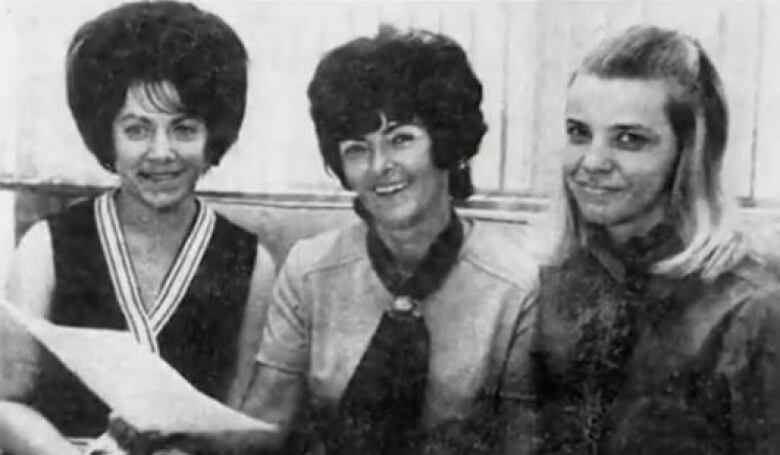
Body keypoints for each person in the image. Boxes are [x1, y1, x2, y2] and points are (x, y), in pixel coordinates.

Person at [212, 26, 537, 455]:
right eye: (356, 149)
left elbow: (524, 445)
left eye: (401, 139)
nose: (379, 166)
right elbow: (265, 424)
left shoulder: (514, 286)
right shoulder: (309, 270)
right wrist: (173, 433)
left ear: (447, 141)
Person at [0, 1, 275, 452]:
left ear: (213, 136)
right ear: (105, 134)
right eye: (137, 129)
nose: (161, 152)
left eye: (184, 129)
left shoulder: (250, 263)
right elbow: (4, 402)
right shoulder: (47, 246)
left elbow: (243, 423)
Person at [498, 25, 780, 455]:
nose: (592, 162)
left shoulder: (749, 310)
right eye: (578, 132)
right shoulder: (555, 281)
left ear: (688, 155)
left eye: (629, 139)